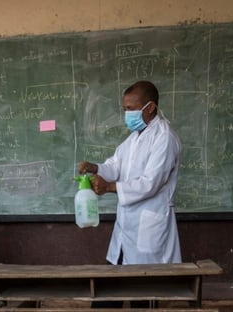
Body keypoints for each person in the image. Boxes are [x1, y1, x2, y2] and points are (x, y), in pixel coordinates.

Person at [78, 80, 182, 264]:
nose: (127, 114)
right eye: (125, 109)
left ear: (150, 108)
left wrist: (109, 186)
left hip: (150, 222)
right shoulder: (134, 138)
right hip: (127, 222)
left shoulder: (164, 138)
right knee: (124, 273)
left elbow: (151, 183)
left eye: (131, 108)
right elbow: (116, 166)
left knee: (150, 280)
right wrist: (96, 168)